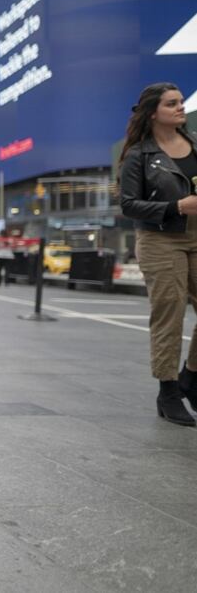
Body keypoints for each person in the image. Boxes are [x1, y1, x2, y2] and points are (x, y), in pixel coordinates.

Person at [120, 82, 197, 427]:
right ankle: (168, 392)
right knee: (170, 313)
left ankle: (190, 377)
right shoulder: (139, 154)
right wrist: (175, 206)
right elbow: (127, 205)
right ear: (153, 113)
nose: (181, 107)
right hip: (160, 238)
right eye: (172, 103)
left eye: (181, 102)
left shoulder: (195, 144)